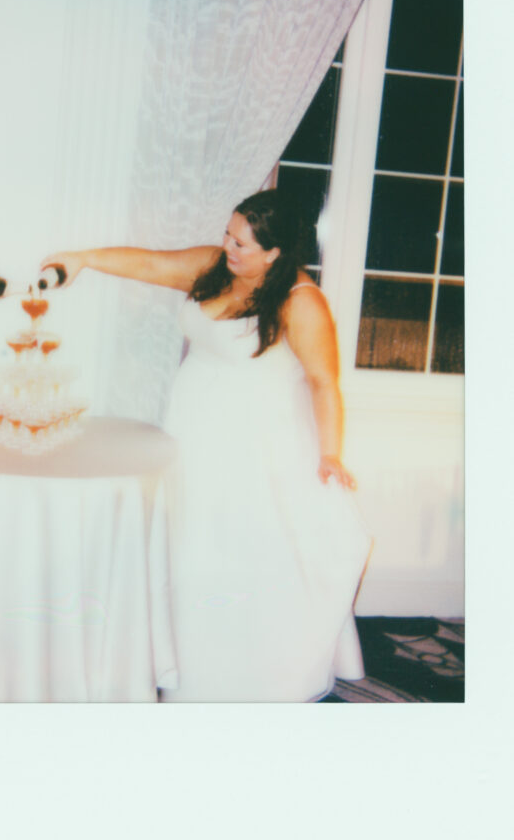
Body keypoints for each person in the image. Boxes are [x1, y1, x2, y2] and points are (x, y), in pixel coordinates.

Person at [41, 188, 372, 702]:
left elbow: (325, 382)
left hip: (256, 449)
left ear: (276, 253)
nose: (228, 248)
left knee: (236, 558)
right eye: (228, 234)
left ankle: (246, 678)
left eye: (241, 243)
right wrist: (83, 259)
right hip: (193, 433)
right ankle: (186, 670)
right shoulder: (214, 268)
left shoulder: (301, 302)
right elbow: (149, 265)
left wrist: (330, 453)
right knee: (187, 549)